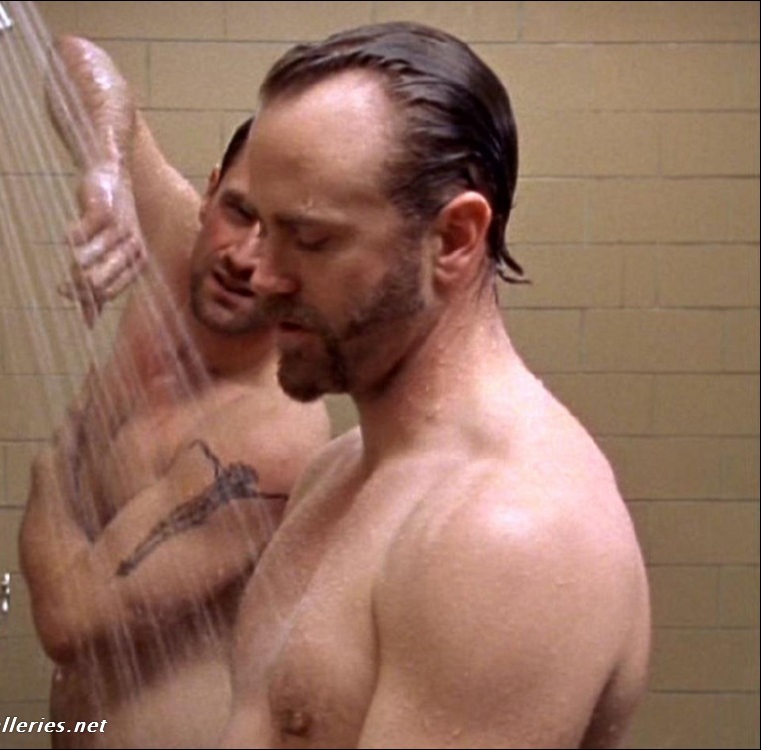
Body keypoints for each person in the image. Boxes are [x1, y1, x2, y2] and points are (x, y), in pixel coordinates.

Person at [221, 22, 651, 748]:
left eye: (310, 238)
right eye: (258, 225)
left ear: (454, 238)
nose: (261, 275)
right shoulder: (339, 470)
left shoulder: (506, 535)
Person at [19, 37, 331, 749]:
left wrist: (49, 473)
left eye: (287, 238)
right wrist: (105, 165)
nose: (244, 258)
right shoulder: (172, 240)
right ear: (211, 189)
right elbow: (74, 59)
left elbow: (68, 620)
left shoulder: (275, 431)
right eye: (239, 212)